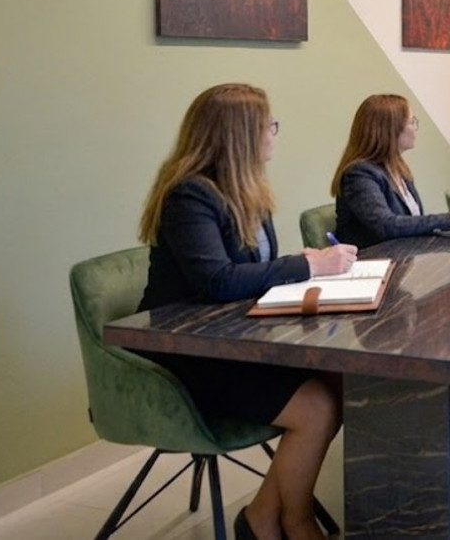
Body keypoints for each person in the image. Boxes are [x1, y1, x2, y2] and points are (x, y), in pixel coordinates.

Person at [138, 83, 357, 540]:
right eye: (268, 126)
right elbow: (217, 280)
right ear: (239, 136)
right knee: (316, 409)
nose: (274, 134)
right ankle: (294, 521)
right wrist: (305, 266)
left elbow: (246, 268)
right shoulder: (189, 197)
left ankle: (261, 515)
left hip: (237, 337)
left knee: (339, 381)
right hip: (189, 352)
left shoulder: (246, 190)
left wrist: (296, 261)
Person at [332, 94, 450, 248]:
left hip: (405, 254)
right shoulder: (359, 173)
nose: (415, 128)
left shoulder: (398, 168)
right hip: (375, 260)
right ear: (390, 129)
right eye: (411, 122)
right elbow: (386, 225)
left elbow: (412, 222)